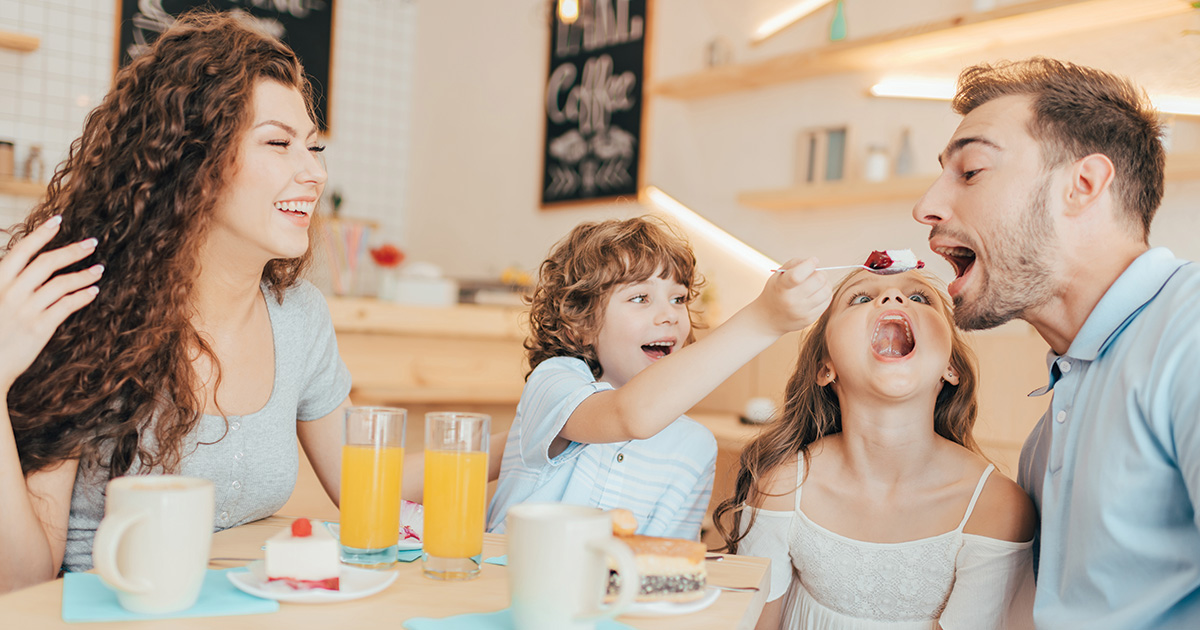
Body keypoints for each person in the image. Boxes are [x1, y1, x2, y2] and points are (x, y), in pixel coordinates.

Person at [0, 12, 439, 593]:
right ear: (191, 161)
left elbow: (370, 485)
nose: (314, 172)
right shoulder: (83, 310)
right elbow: (21, 580)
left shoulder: (298, 317)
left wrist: (540, 432)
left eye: (314, 146)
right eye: (279, 143)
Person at [913, 57, 1200, 628]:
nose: (925, 207)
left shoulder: (1187, 333)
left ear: (1083, 185)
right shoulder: (1050, 431)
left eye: (970, 172)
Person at [714, 268, 1035, 629]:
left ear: (951, 367)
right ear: (825, 368)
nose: (892, 298)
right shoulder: (782, 487)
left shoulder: (995, 507)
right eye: (861, 298)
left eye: (919, 298)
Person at [486, 217, 832, 539]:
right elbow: (630, 415)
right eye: (640, 297)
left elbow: (665, 561)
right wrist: (763, 320)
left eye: (678, 298)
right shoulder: (553, 382)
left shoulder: (693, 447)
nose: (668, 315)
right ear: (581, 326)